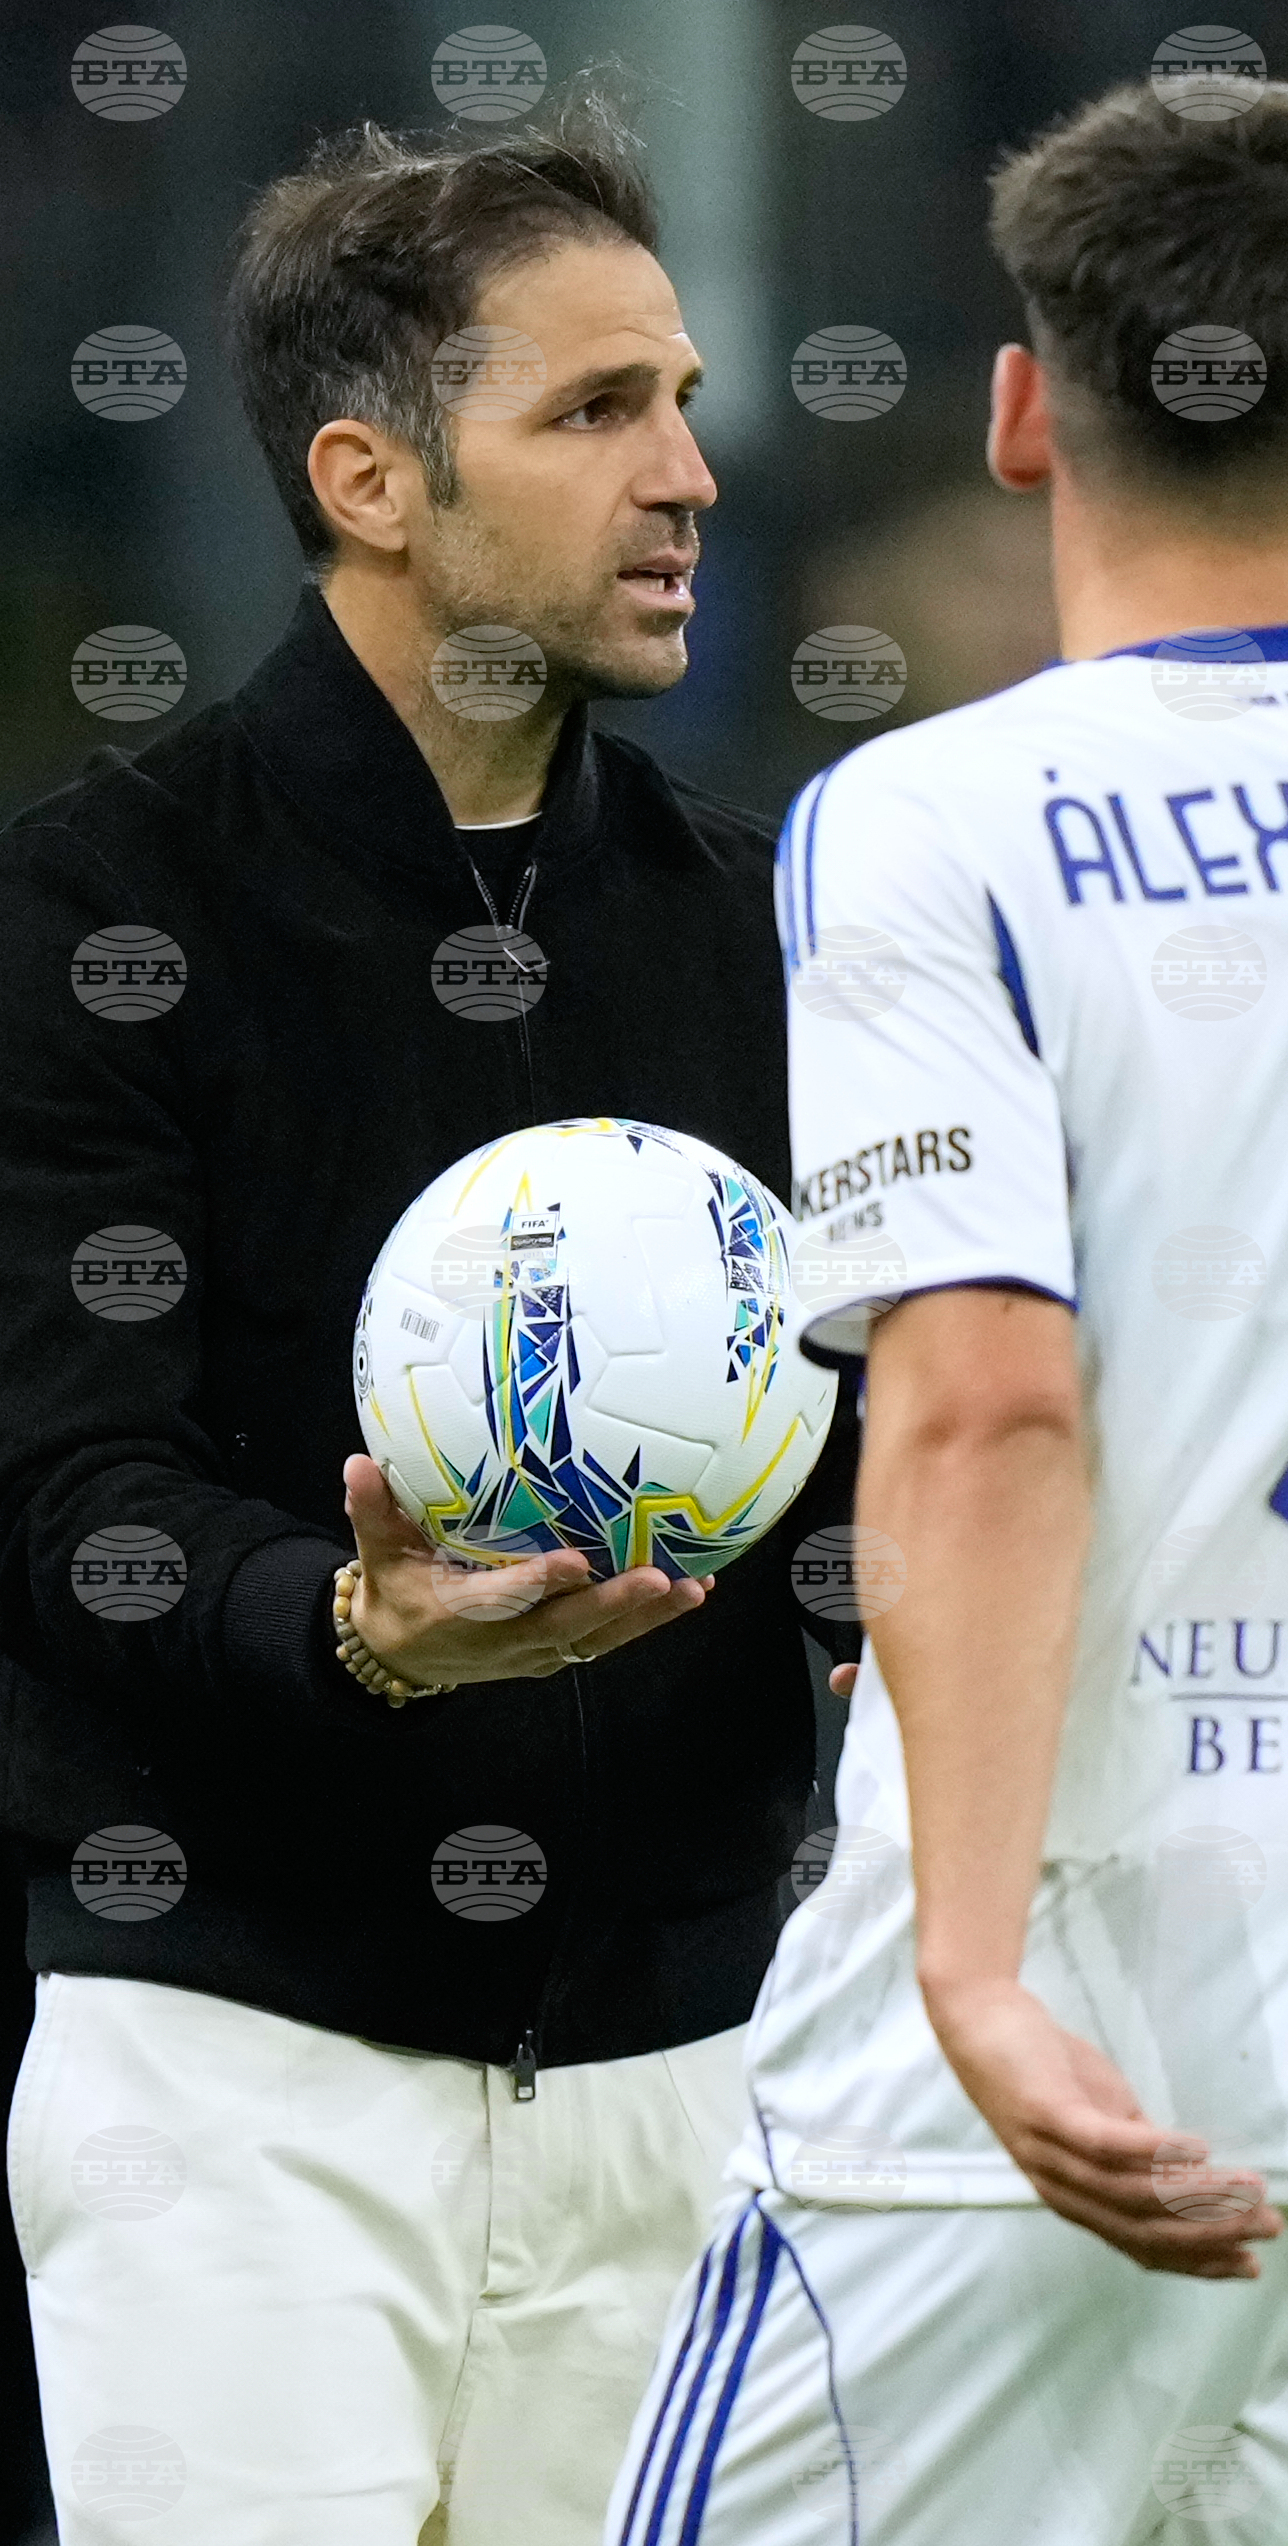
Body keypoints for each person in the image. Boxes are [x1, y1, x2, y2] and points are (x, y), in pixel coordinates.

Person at [607, 80, 1288, 2545]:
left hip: (1003, 2129)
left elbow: (984, 1415)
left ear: (1021, 411)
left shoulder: (933, 814)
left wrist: (981, 1984)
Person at [0, 93, 856, 2546]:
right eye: (596, 411)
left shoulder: (774, 918)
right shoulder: (91, 917)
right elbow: (64, 1499)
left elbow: (877, 1447)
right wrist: (363, 1629)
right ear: (371, 478)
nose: (688, 470)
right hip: (234, 2074)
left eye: (680, 398)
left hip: (695, 2077)